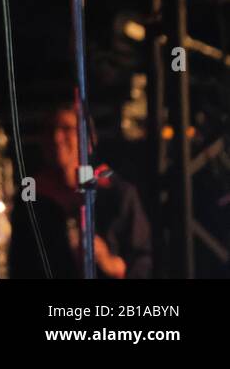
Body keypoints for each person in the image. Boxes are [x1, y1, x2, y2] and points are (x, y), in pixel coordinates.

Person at [8, 97, 153, 279]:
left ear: (88, 140)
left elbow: (143, 262)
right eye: (50, 130)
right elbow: (20, 266)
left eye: (66, 129)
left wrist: (109, 262)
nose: (56, 137)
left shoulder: (116, 192)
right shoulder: (31, 198)